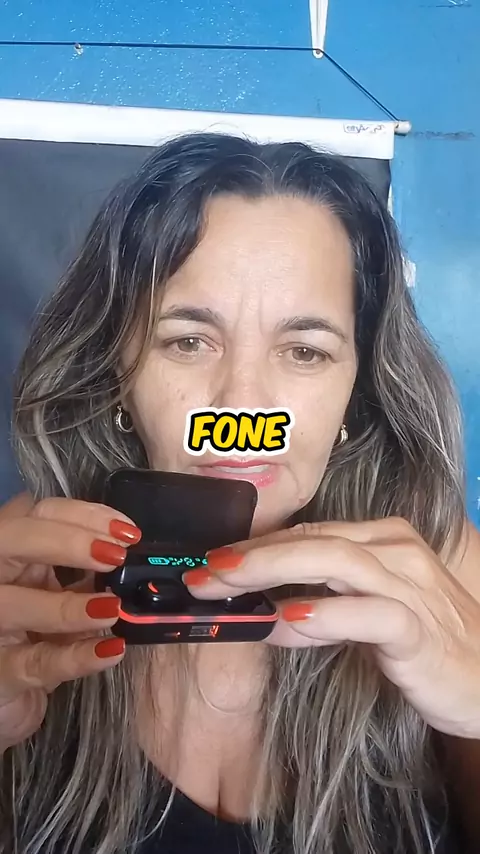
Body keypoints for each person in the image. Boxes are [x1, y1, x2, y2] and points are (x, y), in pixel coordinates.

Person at [0, 132, 479, 854]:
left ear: (355, 394)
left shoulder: (443, 568)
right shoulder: (26, 590)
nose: (243, 408)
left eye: (305, 351)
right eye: (188, 341)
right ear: (117, 376)